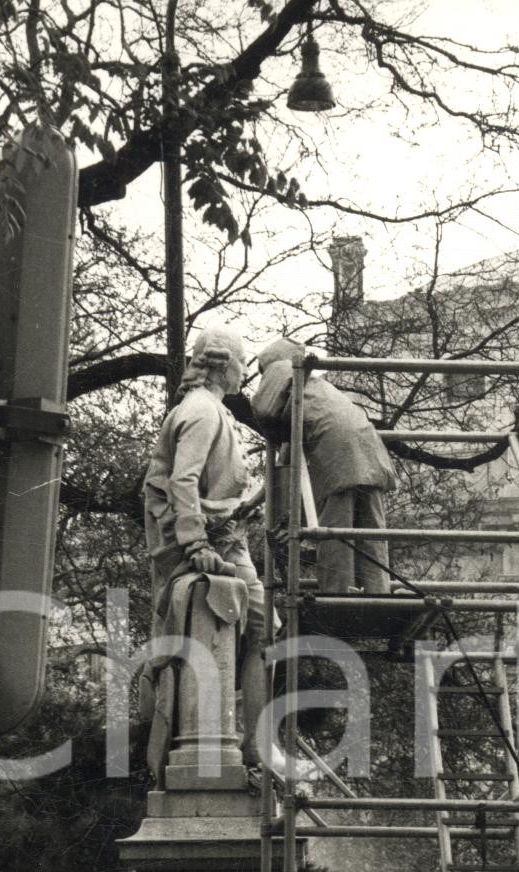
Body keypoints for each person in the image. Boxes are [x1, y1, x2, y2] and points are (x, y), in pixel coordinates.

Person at [142, 323, 266, 768]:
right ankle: (248, 741)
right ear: (223, 365)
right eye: (241, 364)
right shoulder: (201, 410)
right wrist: (195, 544)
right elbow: (182, 480)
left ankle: (253, 740)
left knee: (264, 628)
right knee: (260, 625)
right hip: (206, 541)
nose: (243, 375)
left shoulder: (214, 410)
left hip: (225, 534)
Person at [250, 337, 396, 595]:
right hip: (370, 455)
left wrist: (273, 513)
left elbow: (282, 461)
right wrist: (254, 502)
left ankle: (335, 598)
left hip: (337, 461)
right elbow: (289, 456)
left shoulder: (288, 389)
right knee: (371, 535)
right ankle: (378, 596)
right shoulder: (321, 391)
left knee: (335, 537)